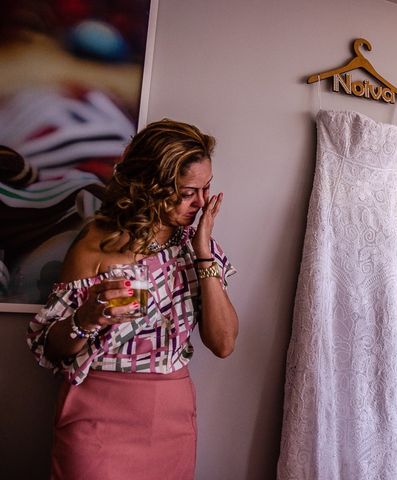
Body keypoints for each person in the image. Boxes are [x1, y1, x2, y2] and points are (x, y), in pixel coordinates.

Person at [27, 119, 239, 480]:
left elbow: (223, 343)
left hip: (171, 418)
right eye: (188, 192)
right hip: (97, 417)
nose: (201, 203)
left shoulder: (198, 249)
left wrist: (203, 252)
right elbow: (49, 348)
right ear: (151, 186)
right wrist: (87, 318)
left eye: (206, 189)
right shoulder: (95, 246)